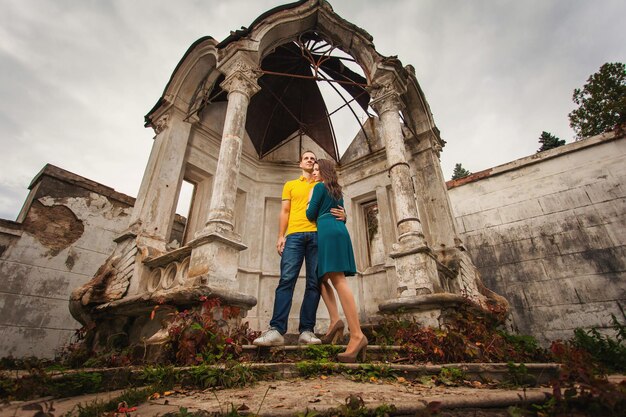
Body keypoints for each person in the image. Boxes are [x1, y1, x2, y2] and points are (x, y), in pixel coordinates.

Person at [253, 151, 345, 347]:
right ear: (300, 163)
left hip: (318, 236)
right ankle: (276, 330)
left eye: (313, 159)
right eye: (307, 158)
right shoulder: (291, 185)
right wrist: (280, 235)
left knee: (314, 283)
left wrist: (344, 215)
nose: (310, 161)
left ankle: (307, 331)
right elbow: (284, 211)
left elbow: (336, 206)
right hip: (294, 236)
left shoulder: (323, 184)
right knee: (287, 279)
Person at [306, 159, 368, 363]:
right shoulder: (336, 190)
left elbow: (310, 215)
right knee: (321, 278)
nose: (314, 173)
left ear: (324, 171)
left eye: (317, 170)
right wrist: (345, 217)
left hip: (329, 232)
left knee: (339, 280)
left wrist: (309, 201)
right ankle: (335, 320)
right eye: (313, 170)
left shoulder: (318, 187)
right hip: (338, 231)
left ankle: (357, 334)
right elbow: (340, 213)